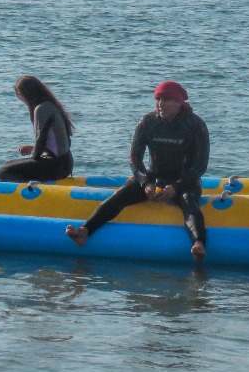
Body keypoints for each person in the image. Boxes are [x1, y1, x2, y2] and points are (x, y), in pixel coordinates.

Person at [67, 80, 210, 262]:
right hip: (155, 178)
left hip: (185, 182)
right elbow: (134, 159)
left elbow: (200, 165)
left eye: (166, 100)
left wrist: (177, 186)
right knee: (121, 195)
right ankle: (85, 230)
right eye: (158, 99)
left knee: (189, 201)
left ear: (179, 102)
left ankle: (199, 243)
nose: (160, 104)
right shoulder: (148, 122)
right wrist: (145, 183)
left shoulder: (195, 125)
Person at [0, 75, 75, 183]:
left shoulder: (41, 109)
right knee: (8, 164)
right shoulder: (52, 106)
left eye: (20, 95)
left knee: (3, 171)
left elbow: (40, 140)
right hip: (66, 164)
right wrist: (32, 150)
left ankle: (33, 188)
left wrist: (32, 158)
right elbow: (62, 144)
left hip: (56, 167)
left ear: (27, 94)